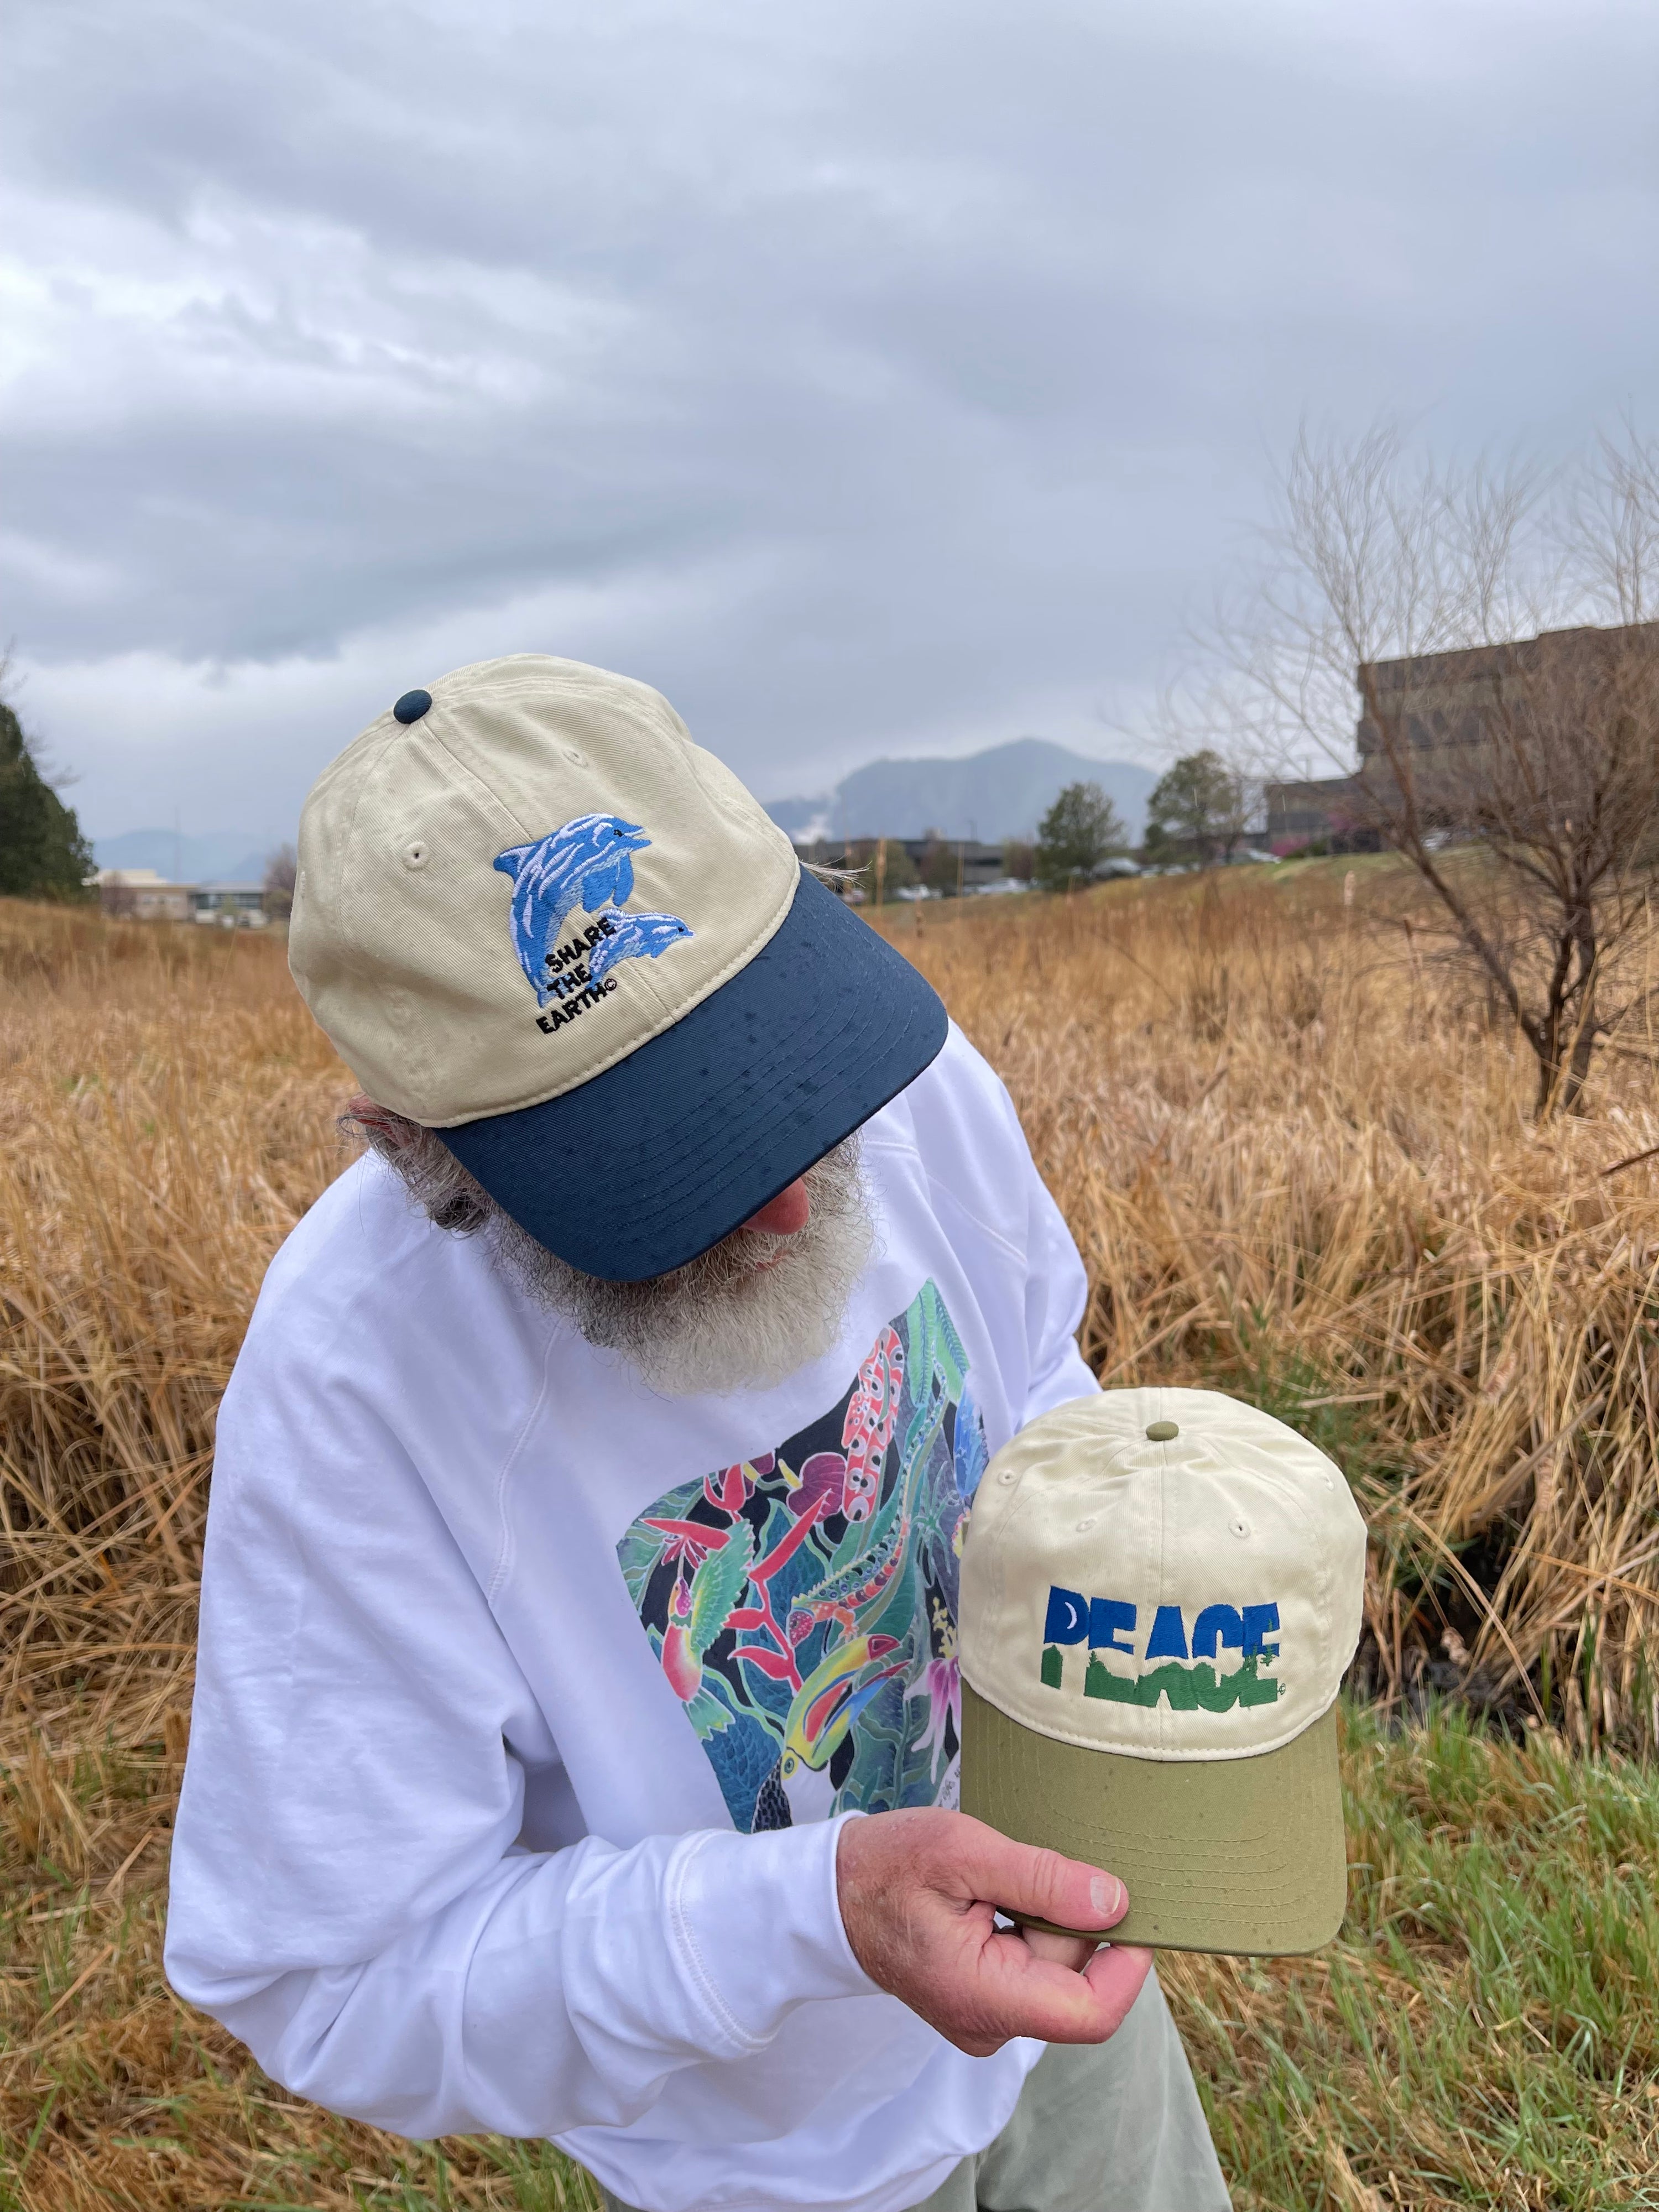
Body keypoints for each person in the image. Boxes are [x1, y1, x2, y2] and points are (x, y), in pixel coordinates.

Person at [166, 655, 1230, 2212]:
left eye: (775, 1080)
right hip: (765, 2173)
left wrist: (1135, 1586)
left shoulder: (912, 1085)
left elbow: (1034, 1382)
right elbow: (338, 1977)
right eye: (664, 1167)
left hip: (1078, 2035)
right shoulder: (356, 1387)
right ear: (422, 1155)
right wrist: (816, 1912)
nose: (798, 1199)